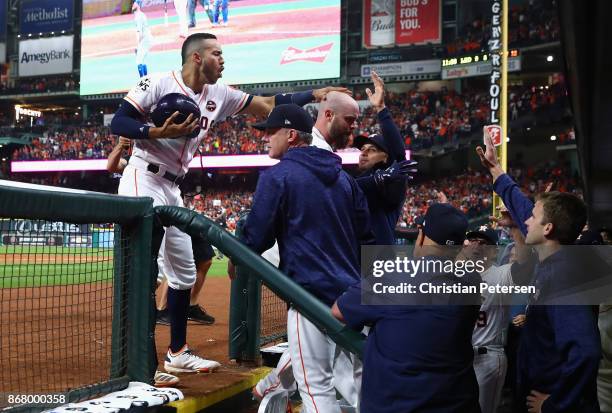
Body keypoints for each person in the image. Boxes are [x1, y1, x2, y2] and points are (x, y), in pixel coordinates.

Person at [110, 32, 348, 375]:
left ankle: (177, 352)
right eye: (216, 54)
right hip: (143, 175)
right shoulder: (158, 83)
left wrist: (313, 93)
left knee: (184, 273)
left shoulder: (218, 94)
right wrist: (153, 132)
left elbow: (267, 106)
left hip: (173, 185)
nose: (223, 60)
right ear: (196, 58)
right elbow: (120, 121)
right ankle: (137, 363)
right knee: (142, 270)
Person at [229, 104, 373, 413]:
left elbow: (256, 237)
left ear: (292, 135)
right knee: (365, 387)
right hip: (352, 297)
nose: (266, 137)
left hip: (309, 298)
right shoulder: (346, 180)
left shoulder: (278, 176)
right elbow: (367, 238)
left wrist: (236, 256)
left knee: (314, 387)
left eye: (271, 131)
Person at [477, 129, 601, 412]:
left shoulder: (563, 278)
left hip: (549, 400)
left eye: (533, 216)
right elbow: (523, 211)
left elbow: (586, 352)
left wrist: (557, 405)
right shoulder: (556, 262)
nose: (526, 220)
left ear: (548, 229)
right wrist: (496, 170)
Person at [332, 203, 481, 412]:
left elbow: (338, 311)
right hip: (459, 404)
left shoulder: (392, 277)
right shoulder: (472, 283)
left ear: (421, 237)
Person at [106, 137, 216, 326]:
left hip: (176, 206)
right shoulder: (134, 167)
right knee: (159, 265)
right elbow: (112, 166)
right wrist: (120, 146)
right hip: (154, 207)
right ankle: (147, 309)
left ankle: (186, 305)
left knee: (203, 257)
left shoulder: (169, 158)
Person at [460, 224, 535, 413]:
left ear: (494, 252)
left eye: (484, 243)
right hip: (459, 356)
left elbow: (525, 265)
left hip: (487, 358)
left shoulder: (501, 274)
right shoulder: (456, 274)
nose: (477, 246)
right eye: (474, 240)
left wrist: (515, 230)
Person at [352, 71, 417, 245]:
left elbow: (399, 157)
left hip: (378, 258)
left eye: (372, 149)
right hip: (351, 258)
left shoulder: (392, 179)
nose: (364, 152)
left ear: (384, 157)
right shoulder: (357, 180)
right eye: (362, 149)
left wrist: (381, 109)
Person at [132, 0, 152, 78]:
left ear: (138, 6)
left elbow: (140, 33)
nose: (133, 5)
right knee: (143, 60)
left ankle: (142, 80)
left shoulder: (138, 17)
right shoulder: (141, 15)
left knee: (138, 61)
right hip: (148, 38)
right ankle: (146, 79)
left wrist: (138, 46)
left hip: (144, 39)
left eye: (135, 4)